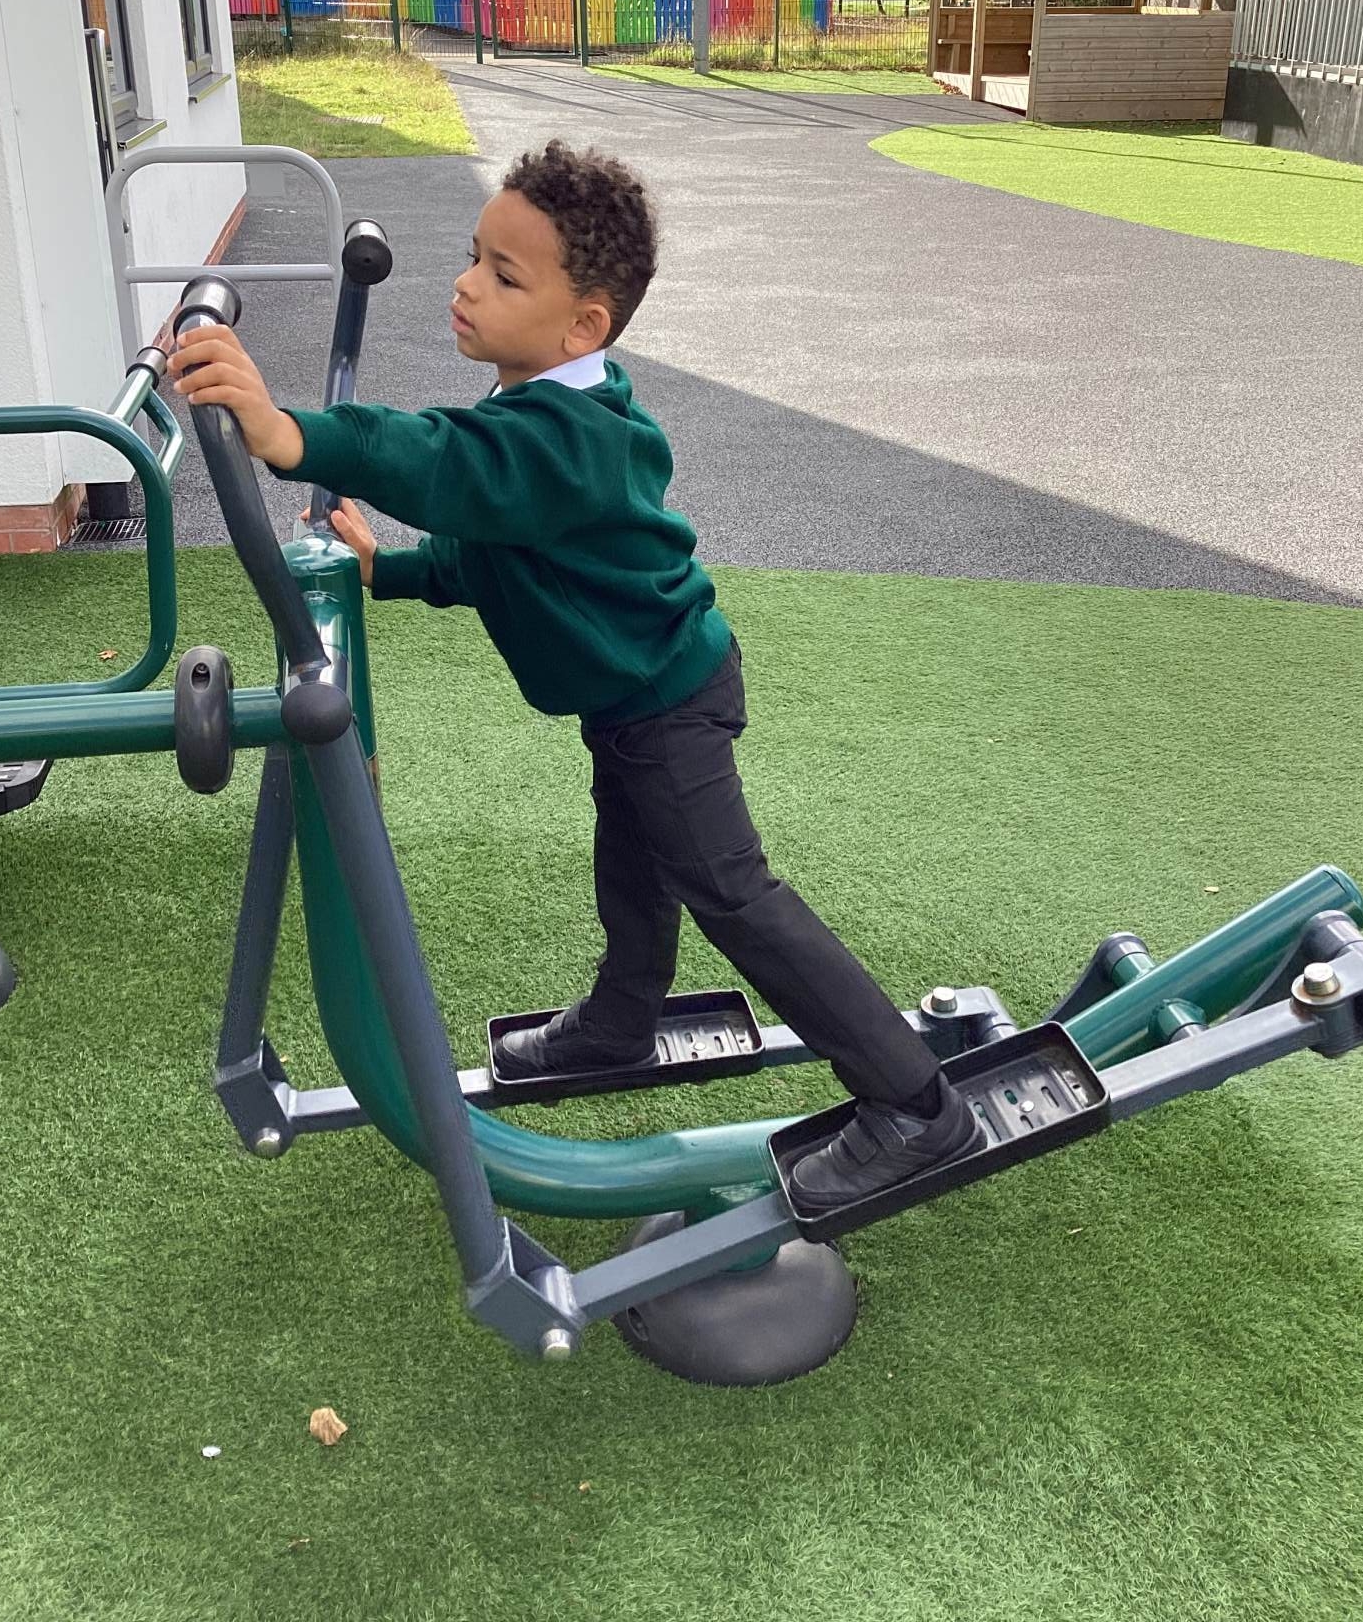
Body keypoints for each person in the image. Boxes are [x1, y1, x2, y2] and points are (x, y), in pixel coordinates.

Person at [169, 140, 982, 1212]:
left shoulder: (567, 438)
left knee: (732, 893)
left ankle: (915, 1105)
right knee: (632, 862)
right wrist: (392, 569)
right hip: (630, 696)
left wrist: (288, 435)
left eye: (504, 277)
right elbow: (499, 543)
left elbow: (445, 461)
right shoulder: (541, 415)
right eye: (474, 257)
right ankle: (621, 1021)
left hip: (669, 699)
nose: (467, 285)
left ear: (582, 325)